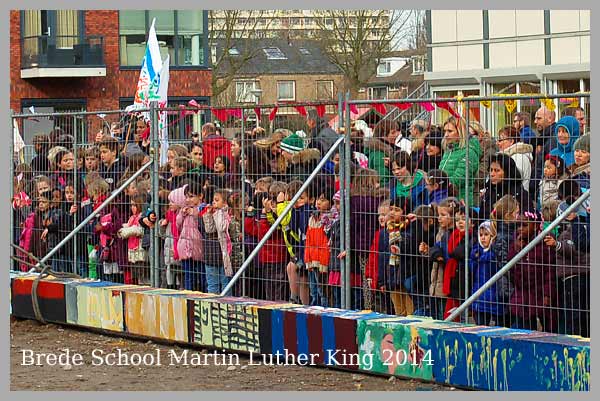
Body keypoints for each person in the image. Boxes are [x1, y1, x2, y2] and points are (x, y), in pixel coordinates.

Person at [509, 210, 557, 332]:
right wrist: (516, 250)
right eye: (518, 225)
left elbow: (549, 271)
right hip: (522, 294)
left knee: (549, 329)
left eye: (524, 225)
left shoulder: (544, 243)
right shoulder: (515, 244)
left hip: (540, 292)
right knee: (524, 330)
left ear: (535, 225)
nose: (520, 229)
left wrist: (548, 294)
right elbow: (510, 269)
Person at [470, 220, 507, 327]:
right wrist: (475, 258)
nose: (483, 238)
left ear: (493, 236)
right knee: (480, 325)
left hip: (494, 296)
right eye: (481, 235)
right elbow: (471, 270)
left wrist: (484, 257)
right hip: (479, 294)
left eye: (486, 234)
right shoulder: (475, 251)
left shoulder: (494, 253)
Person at [438, 116, 481, 204]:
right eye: (445, 131)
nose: (446, 135)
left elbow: (458, 179)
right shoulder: (448, 151)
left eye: (450, 131)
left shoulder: (469, 152)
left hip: (461, 201)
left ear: (460, 132)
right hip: (445, 198)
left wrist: (436, 183)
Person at [479, 153, 531, 222]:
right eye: (491, 170)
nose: (492, 174)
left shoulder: (519, 194)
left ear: (507, 172)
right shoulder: (489, 191)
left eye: (497, 170)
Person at [201, 189, 233, 295]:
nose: (213, 202)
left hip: (224, 253)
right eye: (213, 200)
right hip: (212, 254)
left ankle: (226, 304)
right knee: (212, 285)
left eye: (217, 200)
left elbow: (221, 227)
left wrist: (220, 212)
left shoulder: (227, 214)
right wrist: (208, 215)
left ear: (225, 203)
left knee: (225, 284)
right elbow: (209, 229)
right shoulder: (215, 213)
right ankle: (212, 304)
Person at [117, 194, 148, 284]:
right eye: (131, 205)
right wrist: (120, 228)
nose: (132, 207)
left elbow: (139, 230)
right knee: (135, 276)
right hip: (132, 251)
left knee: (142, 276)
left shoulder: (142, 216)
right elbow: (128, 226)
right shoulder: (132, 217)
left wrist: (126, 231)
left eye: (134, 205)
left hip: (140, 250)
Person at [496, 125, 533, 190]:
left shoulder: (518, 157)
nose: (497, 143)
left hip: (515, 197)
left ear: (511, 141)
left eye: (500, 140)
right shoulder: (512, 156)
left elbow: (513, 181)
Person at [363, 120, 397, 186]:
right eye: (393, 133)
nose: (396, 135)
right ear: (383, 134)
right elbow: (383, 180)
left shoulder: (380, 149)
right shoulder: (380, 154)